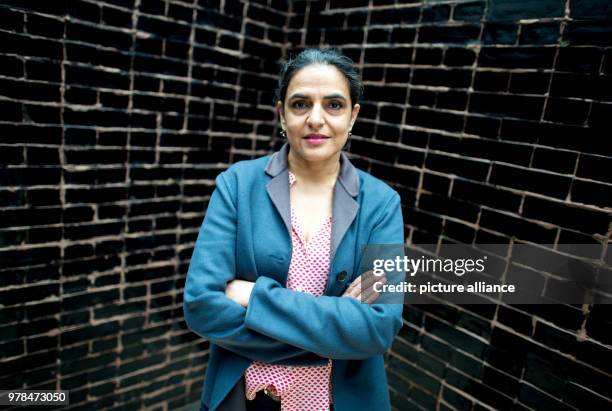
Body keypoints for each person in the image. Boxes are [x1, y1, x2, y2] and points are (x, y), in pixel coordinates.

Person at [183, 48, 405, 411]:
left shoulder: (381, 204)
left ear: (353, 117)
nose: (316, 118)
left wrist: (255, 296)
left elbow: (378, 328)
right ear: (282, 115)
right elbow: (201, 306)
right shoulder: (237, 185)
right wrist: (333, 330)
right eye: (301, 104)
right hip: (248, 399)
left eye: (334, 105)